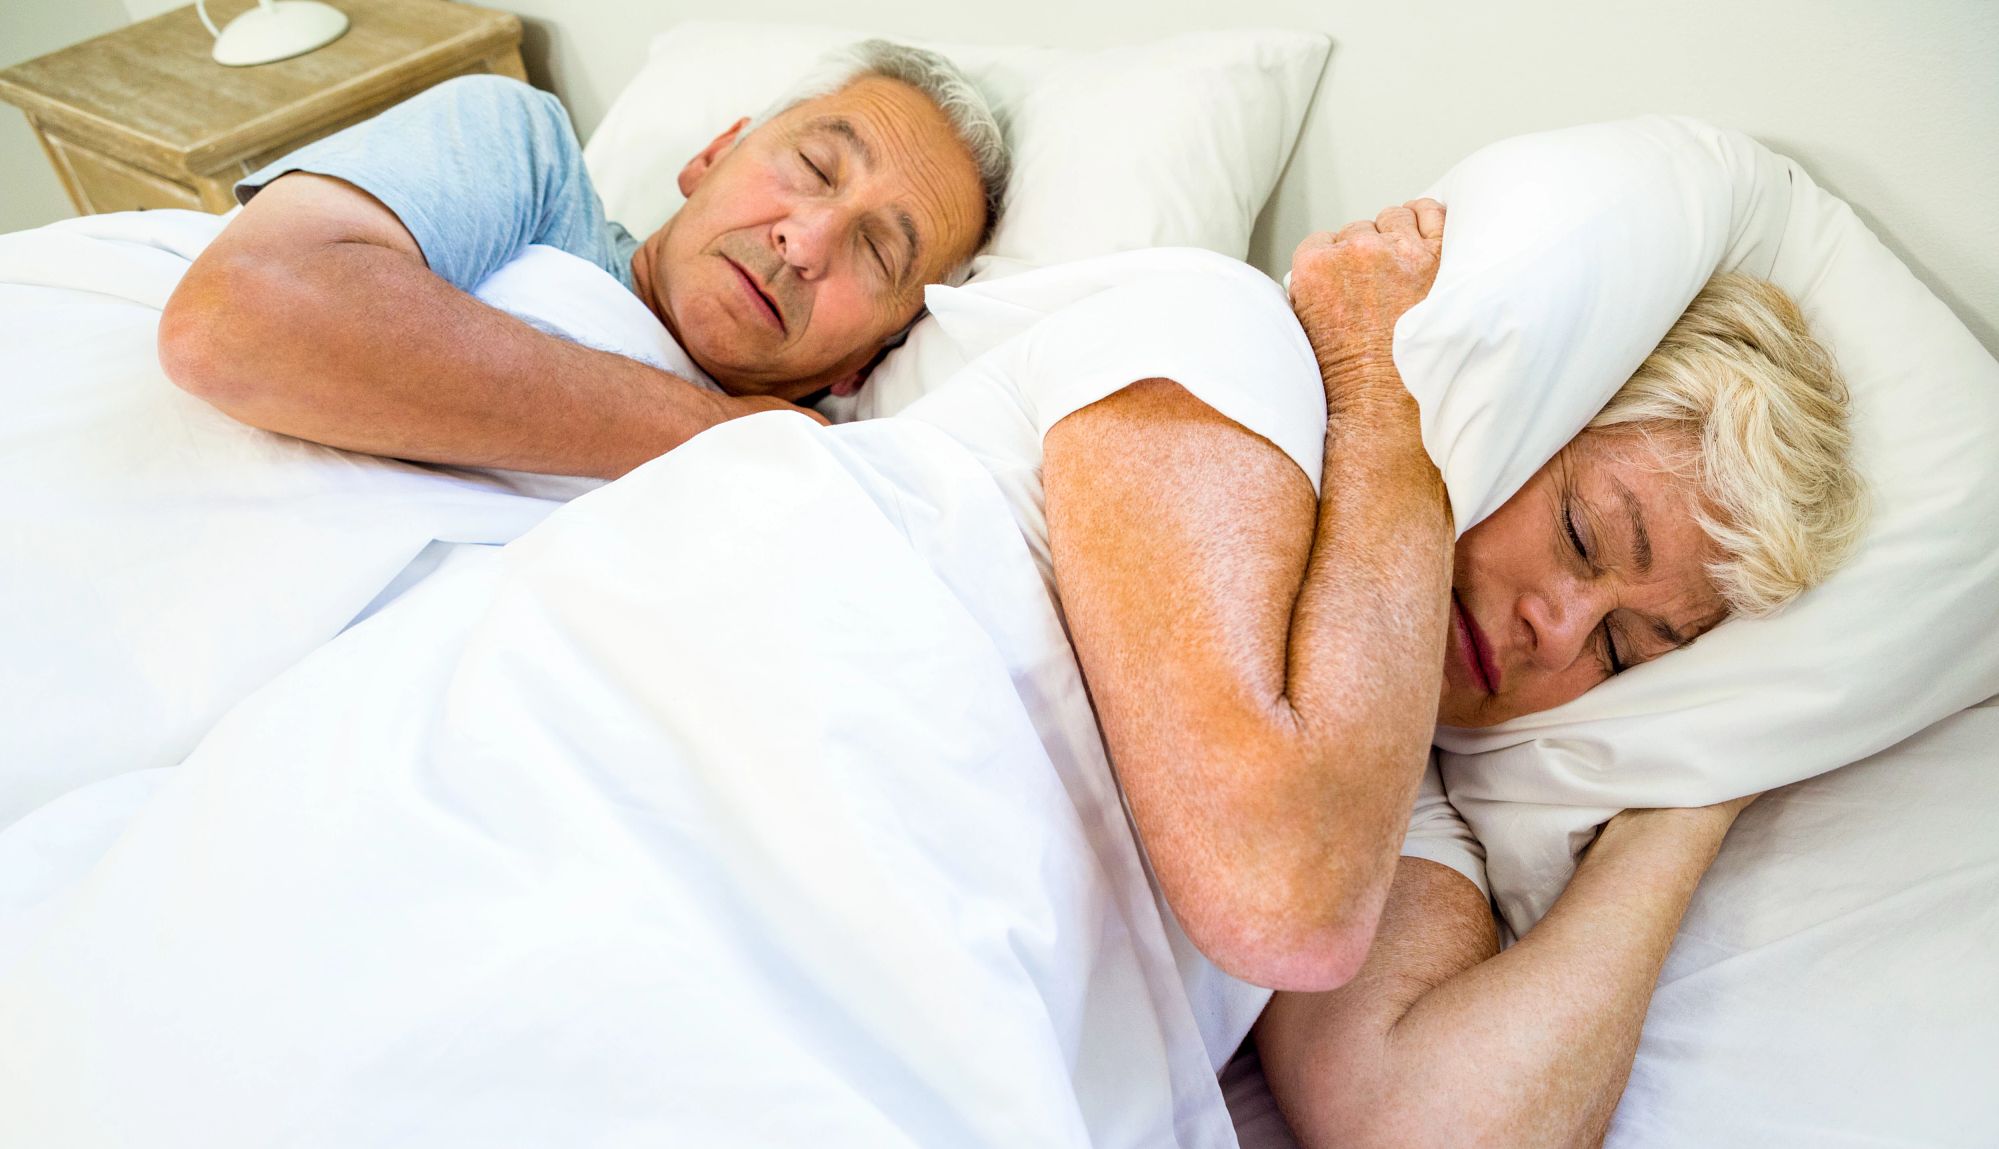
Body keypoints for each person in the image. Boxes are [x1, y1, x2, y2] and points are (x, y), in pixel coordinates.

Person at [156, 41, 1008, 480]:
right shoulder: (522, 153)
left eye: (876, 250)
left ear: (867, 363)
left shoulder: (838, 482)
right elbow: (236, 318)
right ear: (711, 156)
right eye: (815, 167)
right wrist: (722, 433)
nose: (808, 240)